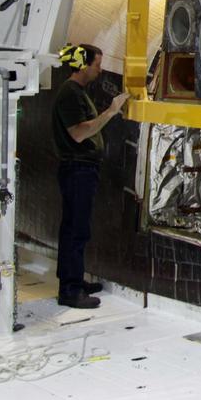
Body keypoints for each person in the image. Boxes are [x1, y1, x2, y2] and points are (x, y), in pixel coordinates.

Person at [52, 44, 129, 310]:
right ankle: (70, 290)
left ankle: (75, 280)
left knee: (77, 228)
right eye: (97, 64)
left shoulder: (77, 93)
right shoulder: (69, 94)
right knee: (75, 229)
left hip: (82, 169)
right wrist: (110, 111)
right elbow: (79, 133)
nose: (100, 69)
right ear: (83, 65)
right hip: (76, 169)